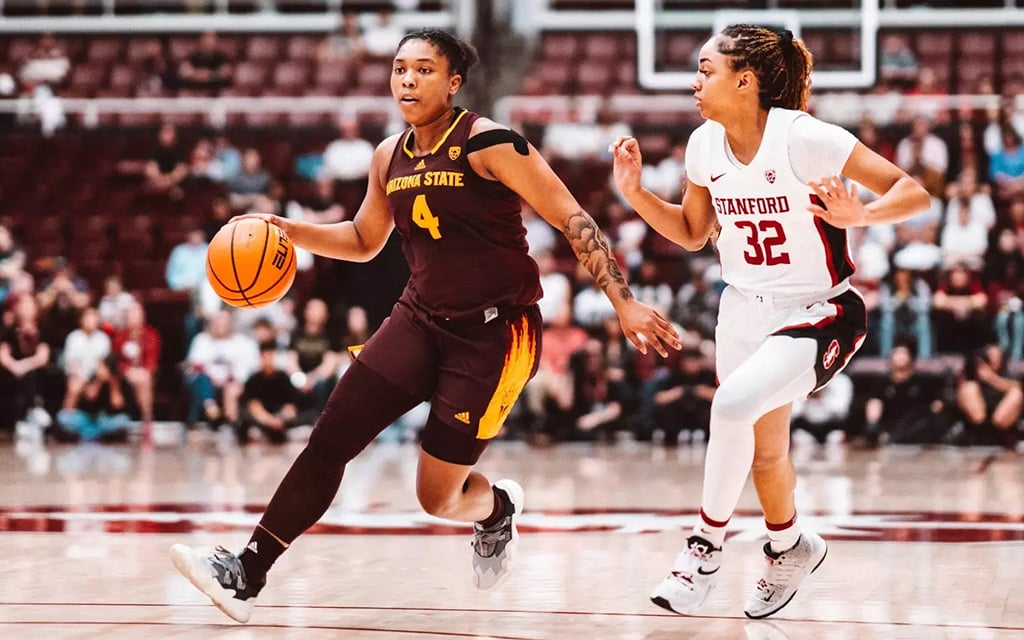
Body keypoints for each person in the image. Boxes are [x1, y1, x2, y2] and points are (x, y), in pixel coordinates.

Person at [170, 29, 679, 624]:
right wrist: (286, 227)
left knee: (436, 498)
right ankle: (245, 572)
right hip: (418, 319)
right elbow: (364, 241)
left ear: (453, 82)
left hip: (496, 335)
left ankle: (495, 508)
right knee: (329, 440)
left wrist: (623, 302)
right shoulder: (389, 155)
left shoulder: (492, 143)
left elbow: (575, 221)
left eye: (423, 70)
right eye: (399, 69)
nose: (407, 81)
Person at [610, 24, 930, 619]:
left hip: (820, 308)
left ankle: (703, 549)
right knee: (764, 455)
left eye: (706, 70)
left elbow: (914, 193)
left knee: (729, 405)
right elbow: (690, 231)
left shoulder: (804, 138)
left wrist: (864, 212)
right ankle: (789, 546)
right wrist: (633, 193)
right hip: (743, 309)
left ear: (745, 80)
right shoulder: (704, 144)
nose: (695, 81)